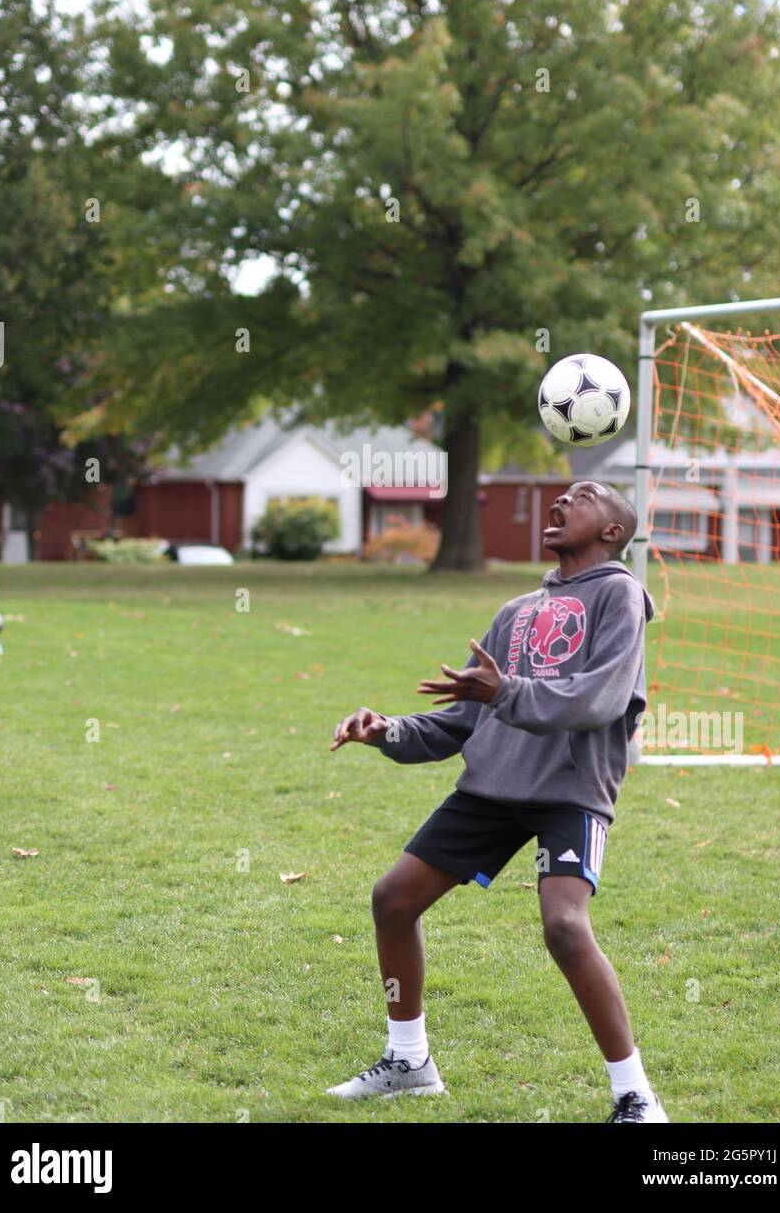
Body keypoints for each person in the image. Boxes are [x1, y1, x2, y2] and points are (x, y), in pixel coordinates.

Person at [327, 480, 668, 1123]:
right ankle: (409, 1062)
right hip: (492, 789)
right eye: (561, 495)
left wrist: (505, 692)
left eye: (585, 496)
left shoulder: (619, 594)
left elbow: (597, 700)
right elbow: (461, 721)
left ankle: (636, 1096)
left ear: (614, 532)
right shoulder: (515, 610)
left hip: (569, 791)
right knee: (392, 899)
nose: (563, 502)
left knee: (565, 928)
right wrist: (388, 730)